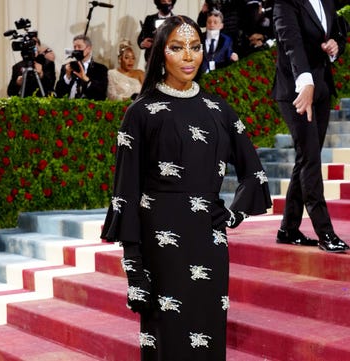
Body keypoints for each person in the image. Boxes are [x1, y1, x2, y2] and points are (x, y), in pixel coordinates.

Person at [101, 15, 272, 360]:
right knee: (167, 344)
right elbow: (125, 194)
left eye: (194, 47)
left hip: (208, 243)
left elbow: (255, 174)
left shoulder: (219, 110)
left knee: (208, 341)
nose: (189, 56)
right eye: (177, 48)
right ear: (161, 54)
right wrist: (134, 268)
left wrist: (233, 214)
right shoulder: (140, 113)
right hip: (159, 249)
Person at [272, 0, 350, 253]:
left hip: (322, 88)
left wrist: (336, 45)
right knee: (310, 160)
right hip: (296, 90)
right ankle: (325, 232)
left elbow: (338, 28)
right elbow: (290, 42)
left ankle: (288, 229)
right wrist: (304, 82)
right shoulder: (285, 3)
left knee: (308, 156)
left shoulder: (327, 1)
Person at [55, 34, 108, 100]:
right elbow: (58, 93)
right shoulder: (67, 67)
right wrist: (67, 76)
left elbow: (102, 93)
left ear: (89, 48)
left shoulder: (100, 69)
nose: (76, 49)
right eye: (75, 47)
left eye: (79, 47)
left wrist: (87, 80)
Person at [201, 9, 238, 73]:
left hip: (219, 75)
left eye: (215, 22)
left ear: (221, 25)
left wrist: (233, 58)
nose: (212, 25)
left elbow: (228, 59)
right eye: (209, 22)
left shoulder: (227, 40)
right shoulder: (199, 38)